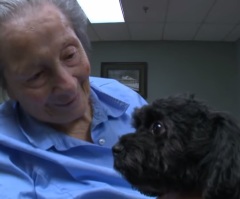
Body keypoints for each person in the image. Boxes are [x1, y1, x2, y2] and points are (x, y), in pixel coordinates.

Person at [0, 0, 154, 198]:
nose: (68, 86)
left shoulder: (122, 96)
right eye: (36, 75)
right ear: (9, 88)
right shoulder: (6, 148)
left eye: (70, 55)